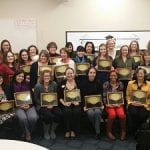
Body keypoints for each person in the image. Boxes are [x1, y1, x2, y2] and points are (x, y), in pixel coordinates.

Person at [9, 71, 38, 141]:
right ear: (15, 76)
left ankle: (24, 132)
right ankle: (28, 133)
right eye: (19, 76)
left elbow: (33, 97)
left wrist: (29, 105)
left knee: (34, 118)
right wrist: (20, 106)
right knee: (23, 118)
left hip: (29, 105)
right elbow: (10, 99)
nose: (21, 78)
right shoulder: (11, 86)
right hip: (17, 107)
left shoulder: (28, 85)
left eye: (22, 76)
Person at [34, 69, 62, 140]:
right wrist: (45, 105)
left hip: (53, 104)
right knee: (48, 115)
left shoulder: (54, 84)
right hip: (41, 105)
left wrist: (52, 104)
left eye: (48, 76)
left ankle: (52, 130)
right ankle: (46, 131)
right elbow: (36, 98)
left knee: (59, 114)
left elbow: (56, 95)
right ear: (42, 77)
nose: (47, 77)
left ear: (50, 77)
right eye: (45, 76)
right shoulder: (38, 86)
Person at [58, 67, 81, 138]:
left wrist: (78, 103)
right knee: (67, 112)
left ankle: (73, 130)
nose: (69, 75)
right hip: (65, 104)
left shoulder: (78, 83)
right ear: (65, 74)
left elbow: (82, 95)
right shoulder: (62, 83)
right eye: (68, 73)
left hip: (76, 103)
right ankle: (67, 130)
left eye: (71, 73)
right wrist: (64, 103)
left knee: (77, 111)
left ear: (73, 74)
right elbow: (59, 96)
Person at [103, 70, 126, 141]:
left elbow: (122, 96)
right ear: (109, 76)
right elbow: (104, 96)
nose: (113, 77)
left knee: (121, 114)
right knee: (112, 114)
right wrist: (107, 104)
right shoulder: (106, 84)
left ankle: (123, 131)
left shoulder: (120, 84)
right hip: (109, 105)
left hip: (119, 104)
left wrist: (121, 103)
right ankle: (109, 132)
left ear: (117, 76)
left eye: (115, 75)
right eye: (112, 75)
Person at [126, 68, 150, 134]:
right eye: (138, 73)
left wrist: (143, 104)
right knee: (134, 113)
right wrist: (131, 102)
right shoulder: (130, 83)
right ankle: (136, 130)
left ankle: (139, 130)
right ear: (136, 74)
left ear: (145, 74)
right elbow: (127, 95)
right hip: (133, 104)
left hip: (144, 105)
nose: (140, 75)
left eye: (142, 73)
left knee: (142, 115)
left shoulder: (149, 84)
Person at [82, 67, 103, 139]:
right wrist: (84, 106)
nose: (92, 74)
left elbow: (101, 95)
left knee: (97, 112)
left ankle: (97, 132)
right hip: (88, 105)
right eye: (90, 72)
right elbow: (82, 96)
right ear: (88, 74)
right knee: (91, 113)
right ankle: (97, 127)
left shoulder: (99, 83)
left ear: (96, 74)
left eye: (94, 73)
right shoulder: (83, 83)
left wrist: (102, 104)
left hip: (97, 104)